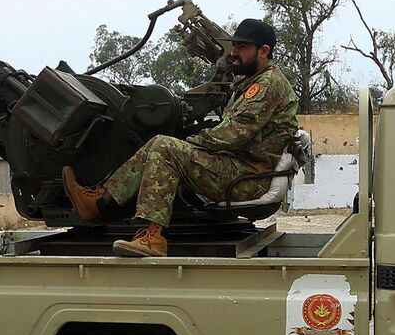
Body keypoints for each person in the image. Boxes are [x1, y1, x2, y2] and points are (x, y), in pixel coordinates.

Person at [61, 17, 298, 257]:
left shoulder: (268, 84)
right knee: (160, 143)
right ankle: (99, 201)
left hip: (247, 179)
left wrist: (191, 142)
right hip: (237, 169)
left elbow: (234, 135)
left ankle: (152, 238)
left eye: (242, 47)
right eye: (234, 45)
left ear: (264, 51)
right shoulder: (252, 82)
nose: (234, 52)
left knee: (166, 148)